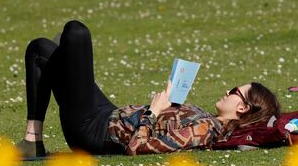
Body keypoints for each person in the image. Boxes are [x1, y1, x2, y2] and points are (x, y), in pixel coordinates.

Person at [19, 20, 280, 157]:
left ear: (243, 107)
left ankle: (67, 63)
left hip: (96, 132)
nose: (228, 90)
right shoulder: (207, 120)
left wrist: (153, 112)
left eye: (235, 91)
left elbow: (138, 148)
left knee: (76, 32)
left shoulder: (204, 131)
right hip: (108, 113)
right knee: (42, 50)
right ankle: (33, 140)